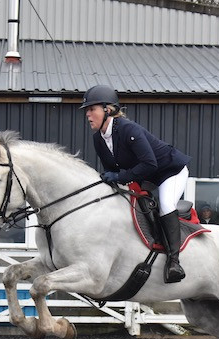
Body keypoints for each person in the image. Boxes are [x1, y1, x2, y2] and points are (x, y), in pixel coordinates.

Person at [81, 85, 191, 283]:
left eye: (92, 109)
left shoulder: (128, 130)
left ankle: (174, 262)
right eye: (87, 110)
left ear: (107, 109)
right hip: (145, 176)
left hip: (169, 171)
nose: (88, 115)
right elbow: (112, 171)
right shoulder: (98, 139)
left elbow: (150, 163)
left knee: (166, 205)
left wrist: (120, 177)